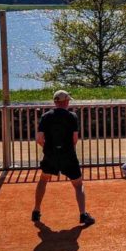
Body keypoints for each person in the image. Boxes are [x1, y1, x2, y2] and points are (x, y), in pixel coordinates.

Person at [31, 90, 95, 227]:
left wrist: (48, 149)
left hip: (50, 154)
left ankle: (36, 211)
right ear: (65, 101)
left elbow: (39, 139)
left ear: (55, 102)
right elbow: (74, 138)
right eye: (68, 100)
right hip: (68, 154)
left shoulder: (45, 116)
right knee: (78, 184)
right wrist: (67, 149)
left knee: (43, 179)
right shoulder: (72, 116)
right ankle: (83, 214)